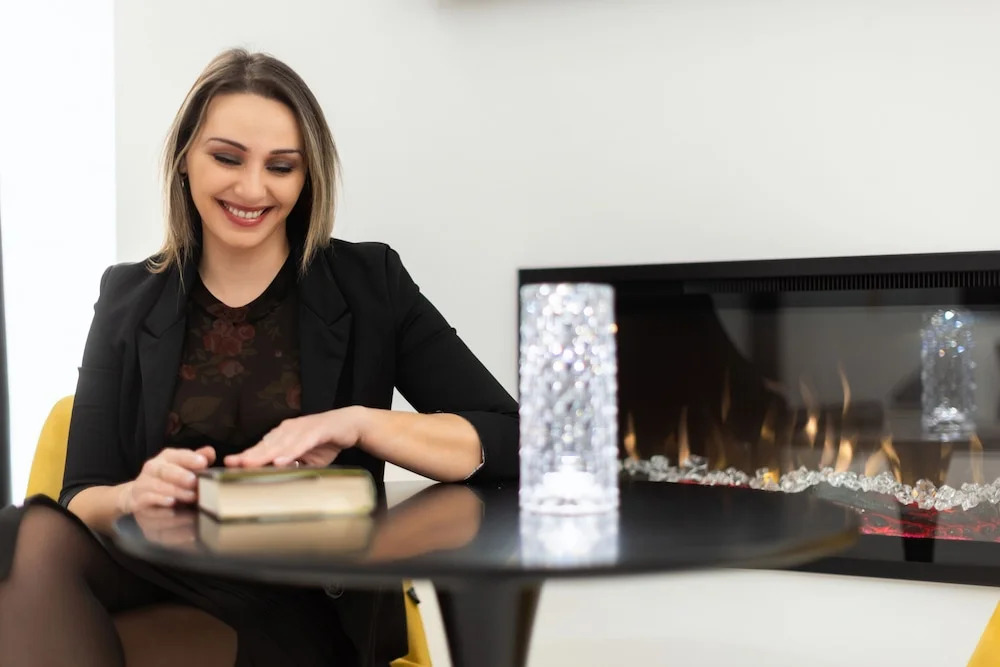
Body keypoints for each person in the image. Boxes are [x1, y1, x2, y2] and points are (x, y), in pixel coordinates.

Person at [0, 48, 518, 667]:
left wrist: (360, 423)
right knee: (24, 538)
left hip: (304, 603)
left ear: (307, 177)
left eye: (281, 167)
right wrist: (135, 495)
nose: (251, 188)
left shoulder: (369, 282)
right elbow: (81, 497)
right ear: (184, 158)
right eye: (227, 158)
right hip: (157, 576)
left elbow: (510, 436)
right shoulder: (127, 294)